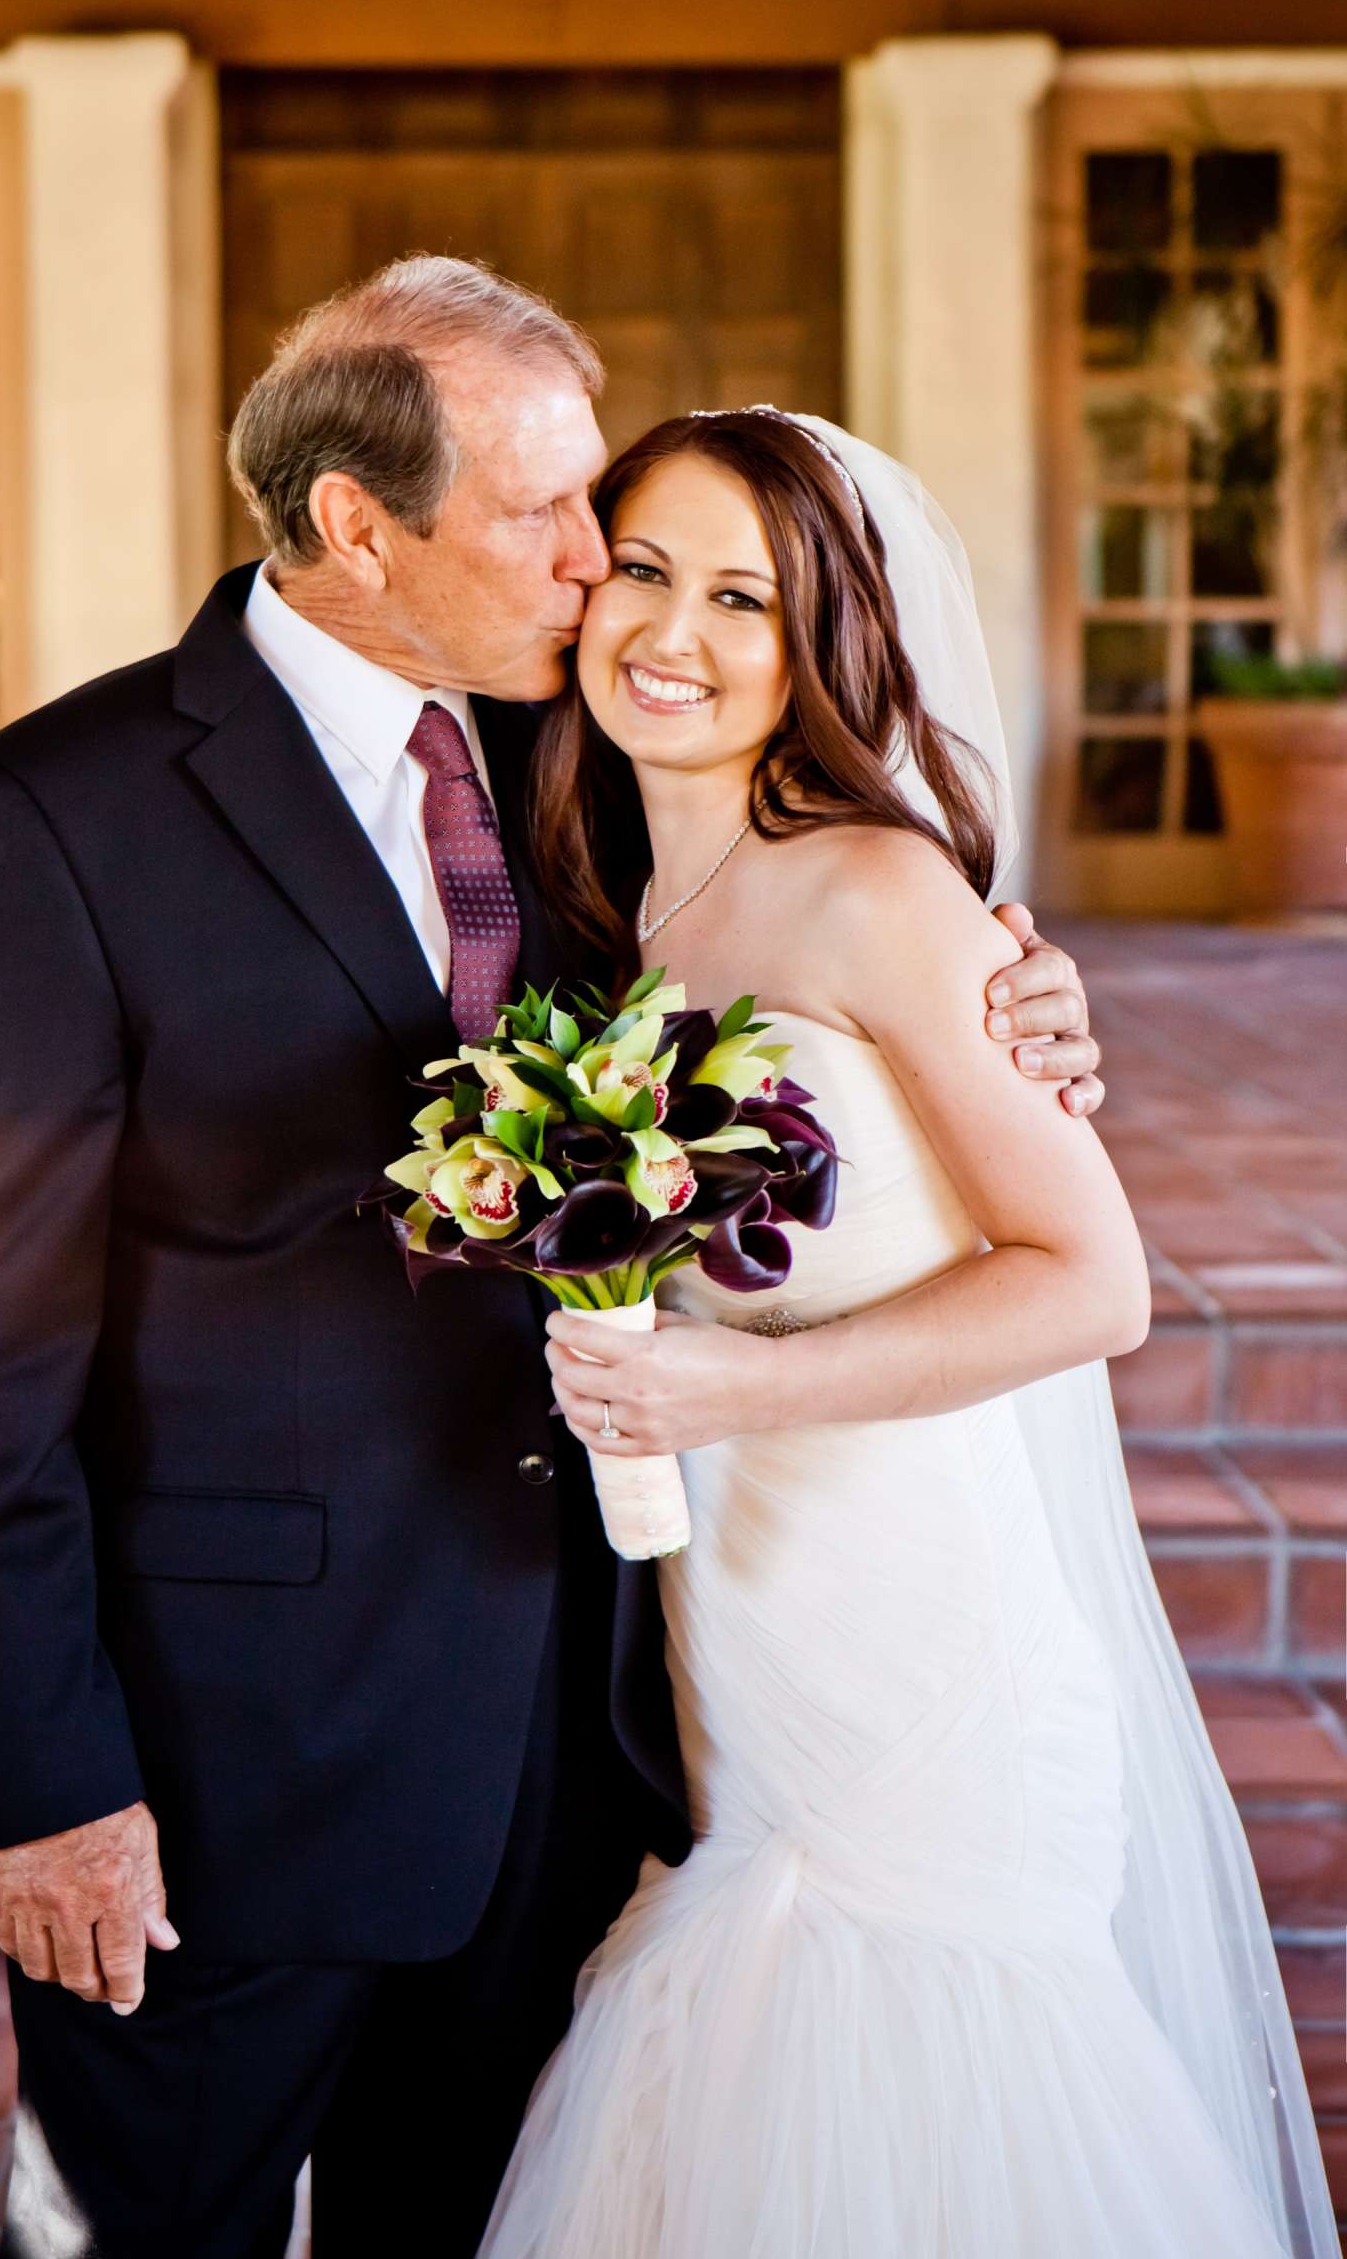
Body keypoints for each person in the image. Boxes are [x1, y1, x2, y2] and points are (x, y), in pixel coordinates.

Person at [0, 260, 1108, 2259]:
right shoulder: (59, 816)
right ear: (358, 526)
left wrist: (1023, 1008)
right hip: (230, 1770)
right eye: (549, 518)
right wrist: (41, 1787)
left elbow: (823, 1004)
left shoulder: (594, 793)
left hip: (583, 1742)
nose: (592, 569)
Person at [478, 405, 1337, 2258]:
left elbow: (1089, 1279)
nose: (672, 635)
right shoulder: (611, 904)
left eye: (745, 599)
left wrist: (732, 1381)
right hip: (744, 1628)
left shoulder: (879, 888)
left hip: (916, 1630)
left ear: (824, 646)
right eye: (641, 569)